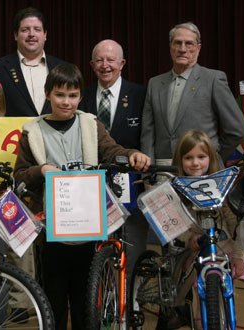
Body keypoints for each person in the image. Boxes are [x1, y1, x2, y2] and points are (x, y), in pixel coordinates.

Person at [14, 63, 150, 329]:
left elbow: (112, 151)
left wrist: (132, 154)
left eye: (73, 95)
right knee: (52, 297)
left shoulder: (90, 124)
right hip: (50, 230)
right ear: (48, 94)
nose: (67, 102)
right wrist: (40, 170)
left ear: (80, 96)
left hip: (88, 227)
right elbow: (19, 175)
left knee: (85, 300)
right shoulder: (32, 131)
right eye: (60, 95)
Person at [164, 129, 244, 329]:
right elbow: (174, 223)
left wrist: (238, 255)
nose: (195, 163)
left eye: (201, 157)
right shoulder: (176, 188)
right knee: (198, 300)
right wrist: (188, 238)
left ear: (210, 158)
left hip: (224, 252)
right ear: (180, 160)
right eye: (189, 158)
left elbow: (235, 222)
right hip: (194, 257)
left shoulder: (221, 187)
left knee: (226, 295)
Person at [80, 39, 148, 280]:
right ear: (91, 64)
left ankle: (130, 300)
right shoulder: (82, 97)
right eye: (99, 60)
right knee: (95, 248)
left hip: (131, 183)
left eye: (111, 60)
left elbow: (147, 136)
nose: (105, 65)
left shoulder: (140, 94)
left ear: (122, 63)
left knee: (131, 245)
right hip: (91, 183)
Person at [140, 22, 244, 166]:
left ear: (198, 48)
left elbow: (237, 130)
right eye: (178, 43)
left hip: (201, 172)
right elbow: (148, 134)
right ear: (170, 46)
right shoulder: (155, 83)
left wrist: (214, 157)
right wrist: (148, 172)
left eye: (189, 43)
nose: (183, 49)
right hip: (162, 172)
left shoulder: (213, 79)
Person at [0, 7, 65, 117]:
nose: (31, 34)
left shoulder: (62, 68)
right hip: (12, 133)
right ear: (16, 35)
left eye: (37, 29)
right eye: (25, 29)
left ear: (45, 35)